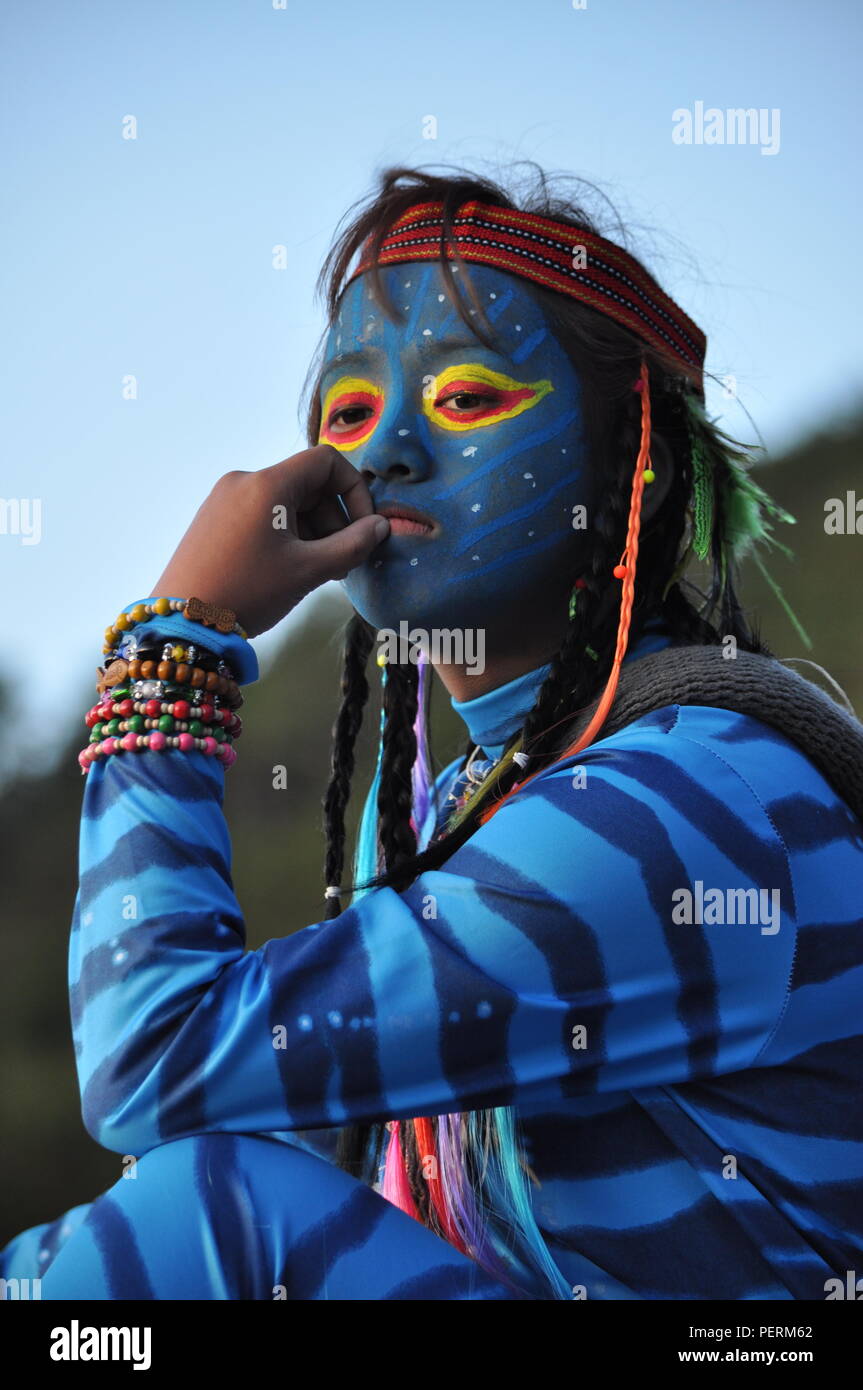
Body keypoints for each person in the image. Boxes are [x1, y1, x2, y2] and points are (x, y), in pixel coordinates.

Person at [3, 165, 862, 1301]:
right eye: (349, 413)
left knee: (213, 1213)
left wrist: (178, 641)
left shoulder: (695, 799)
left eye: (465, 397)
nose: (386, 452)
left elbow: (155, 1058)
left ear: (632, 471)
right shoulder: (441, 807)